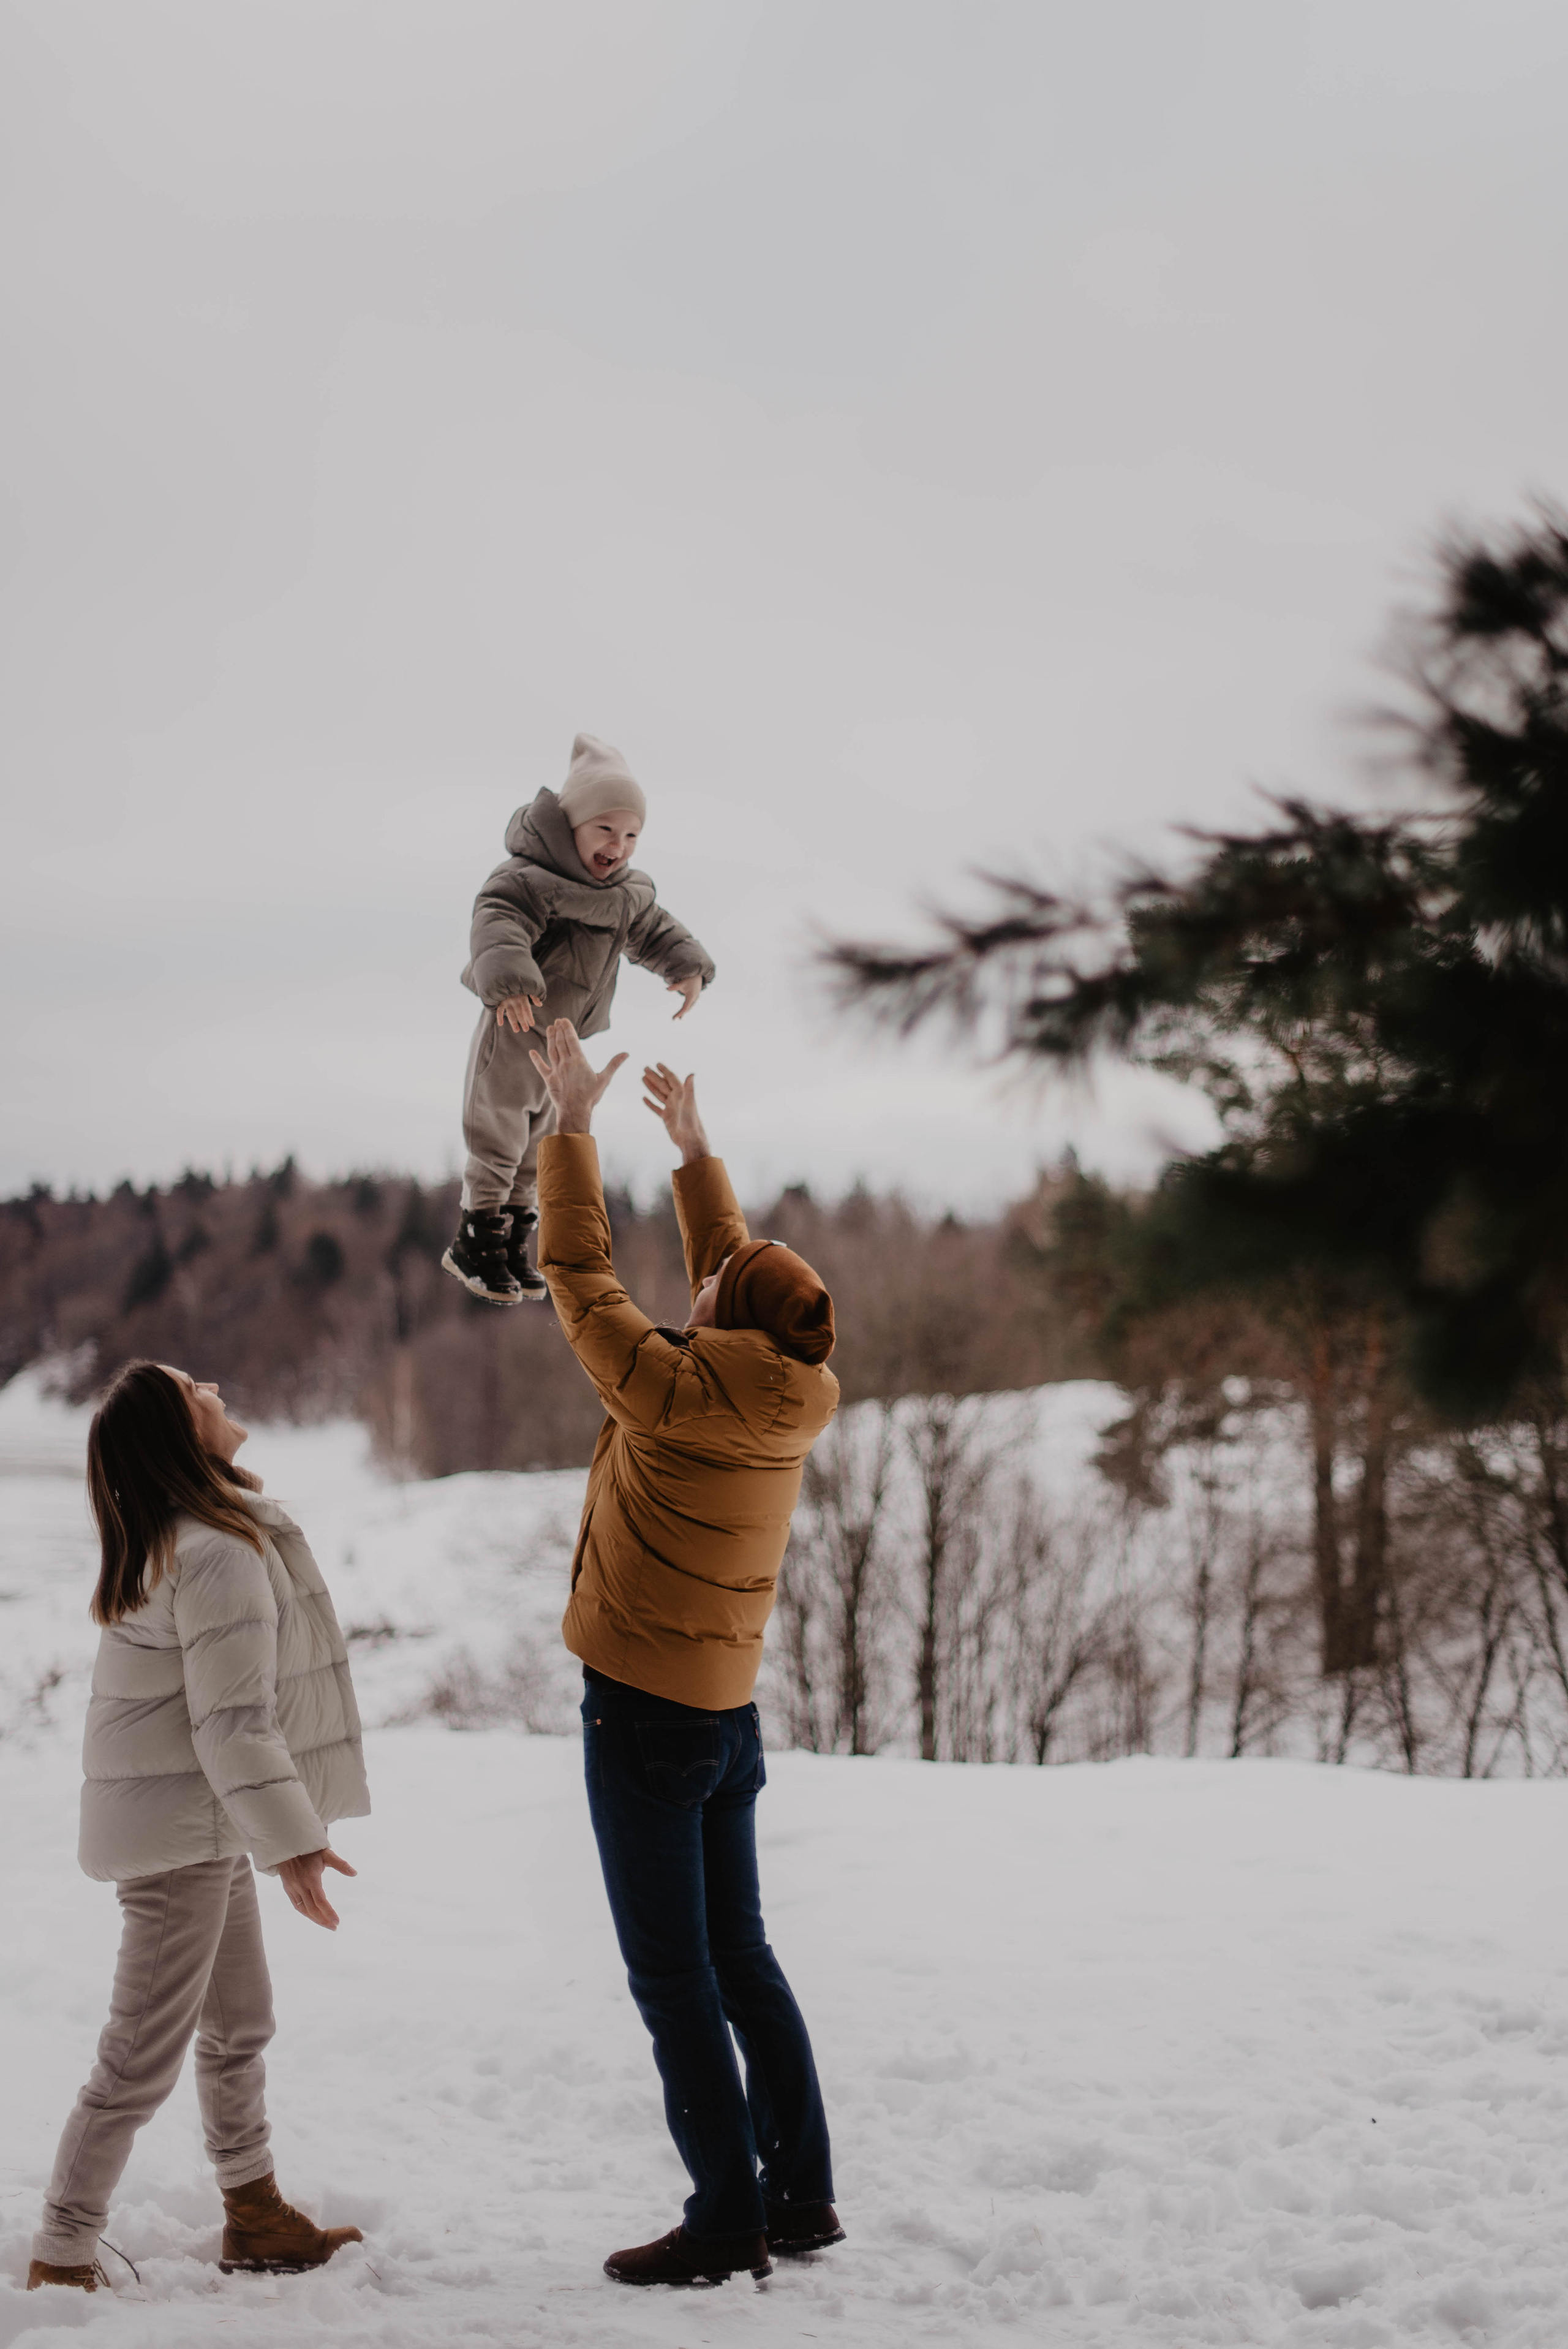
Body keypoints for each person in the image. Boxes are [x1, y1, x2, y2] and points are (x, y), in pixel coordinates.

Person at [528, 1017, 844, 2289]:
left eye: (716, 1286)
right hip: (724, 1725)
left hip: (644, 1720)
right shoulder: (793, 1385)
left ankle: (724, 2218)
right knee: (742, 1959)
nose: (702, 1286)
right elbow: (738, 1274)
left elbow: (576, 1273)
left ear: (720, 1319)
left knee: (673, 1980)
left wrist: (567, 1129)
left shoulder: (662, 1386)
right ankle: (801, 2194)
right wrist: (695, 1153)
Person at [28, 1361, 369, 2297]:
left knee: (239, 2024)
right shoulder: (211, 1550)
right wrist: (294, 1841)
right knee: (139, 2056)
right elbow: (234, 1722)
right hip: (183, 1837)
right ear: (183, 1436)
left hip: (200, 1823)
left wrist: (268, 1831)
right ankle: (61, 2254)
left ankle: (254, 2210)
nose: (214, 1386)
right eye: (192, 1389)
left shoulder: (192, 1535)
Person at [443, 732, 715, 1306]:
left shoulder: (626, 895)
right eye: (605, 830)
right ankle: (477, 1237)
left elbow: (655, 932)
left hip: (566, 1043)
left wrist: (687, 966)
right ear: (572, 826)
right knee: (498, 1128)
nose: (618, 845)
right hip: (515, 1024)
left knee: (540, 1140)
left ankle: (515, 1235)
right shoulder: (529, 878)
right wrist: (510, 982)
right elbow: (497, 921)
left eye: (632, 835)